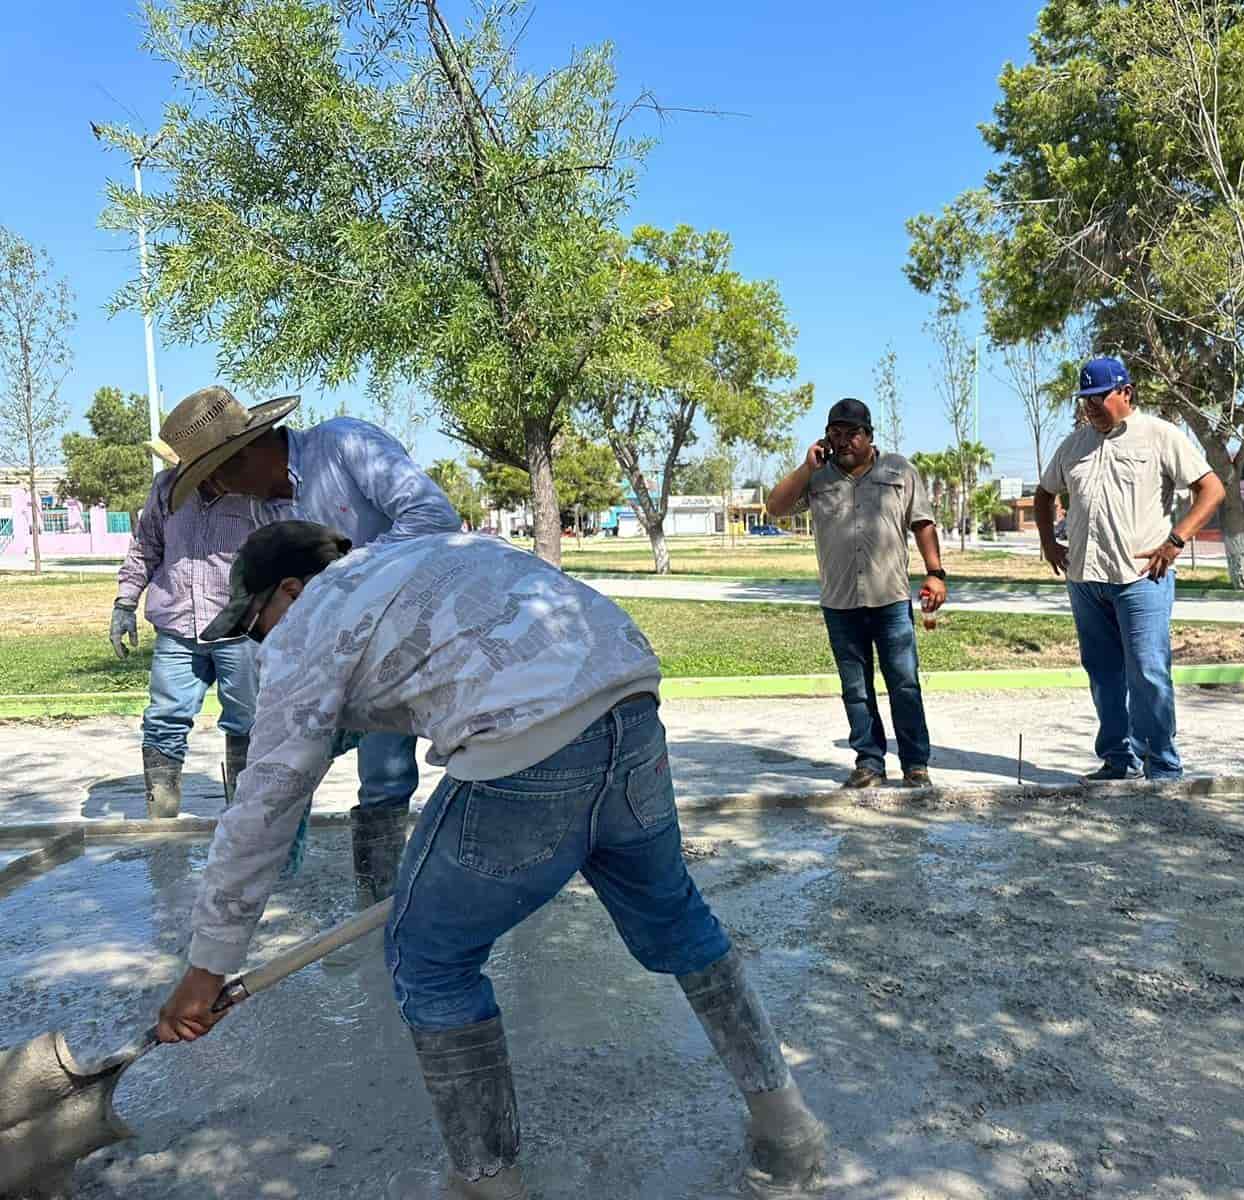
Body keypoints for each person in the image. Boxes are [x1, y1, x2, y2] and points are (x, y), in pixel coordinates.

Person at [154, 523, 828, 1199]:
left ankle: (487, 1184)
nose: (262, 644)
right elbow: (397, 688)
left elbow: (261, 811)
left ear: (292, 591)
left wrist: (205, 969)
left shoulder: (311, 620)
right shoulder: (428, 558)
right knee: (678, 921)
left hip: (524, 742)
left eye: (257, 625)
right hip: (630, 706)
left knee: (428, 959)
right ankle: (788, 1127)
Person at [162, 385, 460, 922]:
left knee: (390, 772)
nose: (214, 489)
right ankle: (325, 899)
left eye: (214, 475)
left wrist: (341, 580)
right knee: (294, 760)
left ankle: (387, 907)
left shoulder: (344, 445)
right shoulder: (261, 514)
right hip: (340, 651)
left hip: (409, 638)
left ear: (244, 453)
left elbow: (434, 519)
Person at [1034, 357, 1225, 781]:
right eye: (1085, 400)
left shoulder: (1159, 436)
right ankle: (1118, 760)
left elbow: (1211, 489)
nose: (1091, 407)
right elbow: (1045, 493)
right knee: (1103, 675)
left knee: (1148, 673)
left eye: (1099, 398)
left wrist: (1176, 540)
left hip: (1141, 580)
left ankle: (1162, 766)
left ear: (1126, 393)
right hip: (1085, 580)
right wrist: (1049, 541)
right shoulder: (1073, 445)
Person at [766, 397, 946, 788]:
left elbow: (923, 523)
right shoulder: (817, 478)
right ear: (826, 437)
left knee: (904, 684)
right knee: (856, 689)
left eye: (852, 434)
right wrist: (805, 467)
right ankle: (869, 763)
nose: (844, 441)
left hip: (890, 600)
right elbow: (776, 508)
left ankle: (916, 765)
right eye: (836, 434)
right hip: (841, 602)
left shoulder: (899, 470)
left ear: (869, 436)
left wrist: (935, 574)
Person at [112, 406, 270, 819]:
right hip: (178, 628)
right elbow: (145, 547)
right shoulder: (165, 489)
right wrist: (125, 602)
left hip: (241, 629)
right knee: (164, 717)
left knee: (248, 721)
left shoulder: (256, 493)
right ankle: (161, 814)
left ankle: (245, 817)